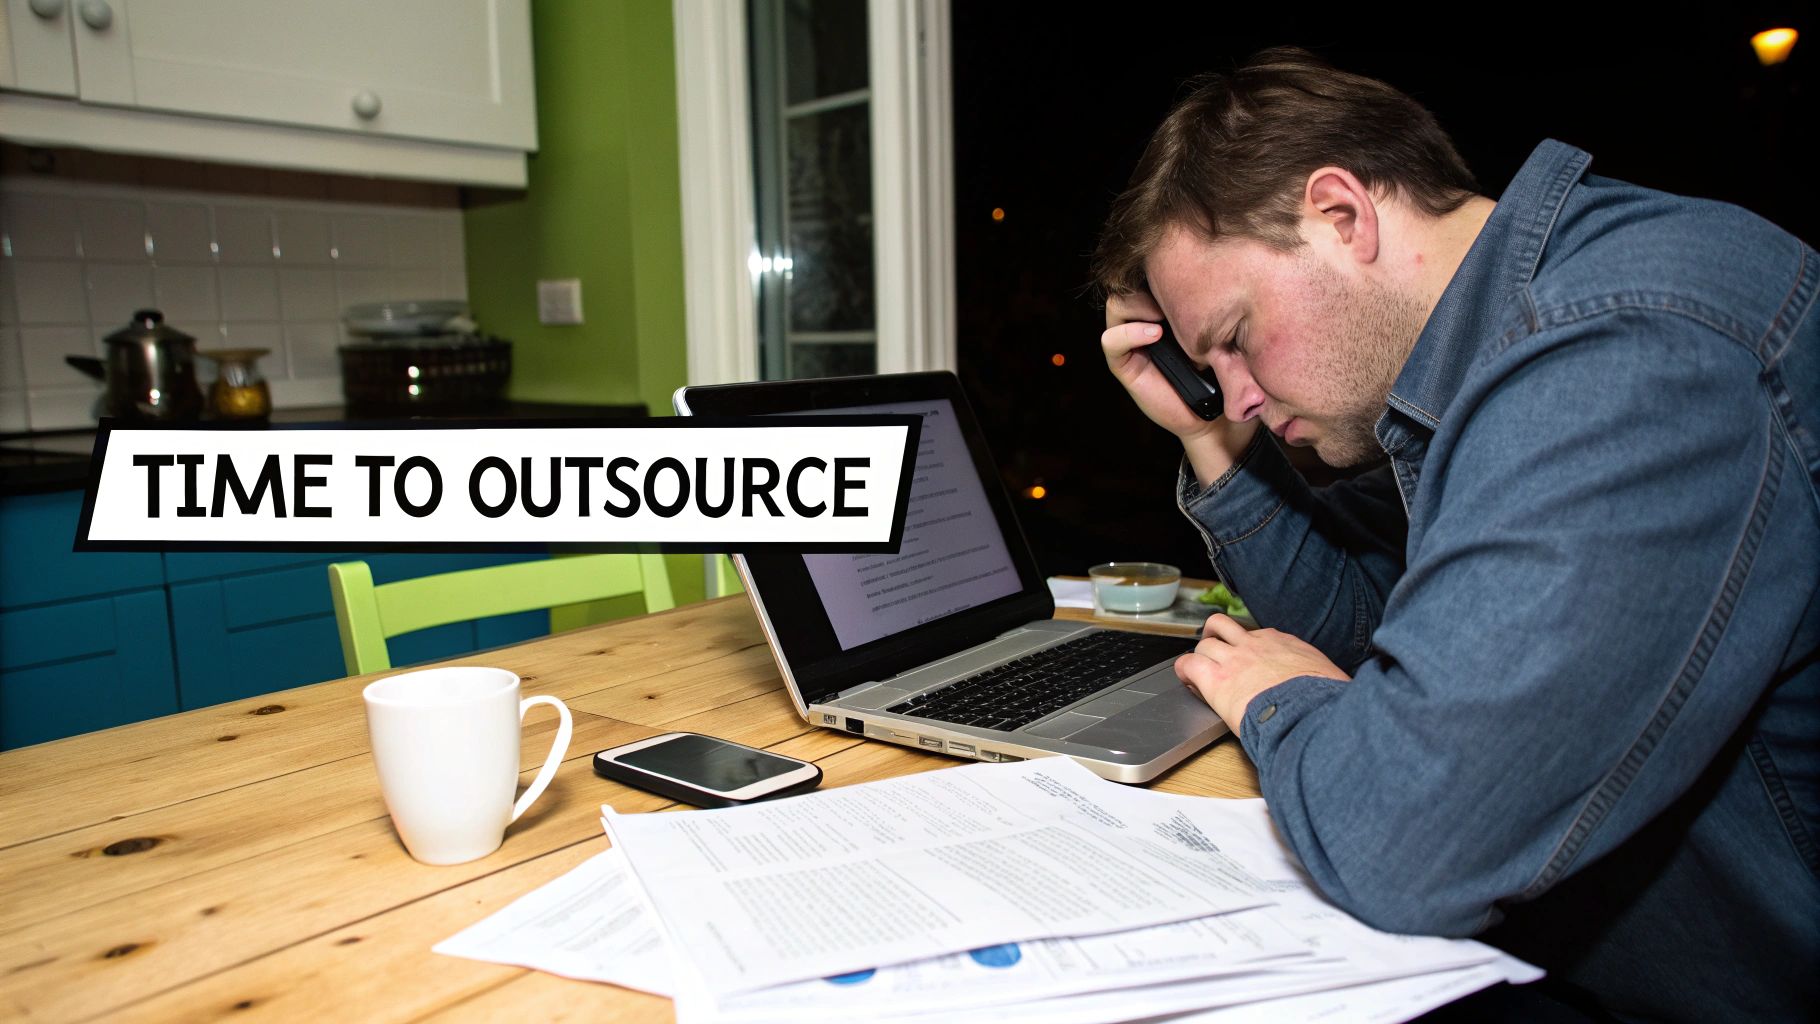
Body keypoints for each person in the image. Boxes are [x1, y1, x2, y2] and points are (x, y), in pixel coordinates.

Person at [1093, 47, 1818, 1022]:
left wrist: (1276, 699)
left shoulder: (1624, 354)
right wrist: (1209, 439)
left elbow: (1398, 837)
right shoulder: (1497, 353)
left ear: (1340, 215)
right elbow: (1360, 626)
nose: (1236, 390)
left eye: (1232, 335)